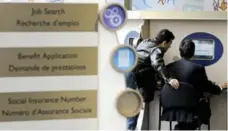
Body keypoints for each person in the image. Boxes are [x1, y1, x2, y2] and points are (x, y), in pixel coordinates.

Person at [163, 39, 227, 130]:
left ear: (180, 51)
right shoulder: (198, 68)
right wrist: (220, 87)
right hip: (191, 109)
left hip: (173, 108)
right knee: (202, 113)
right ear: (193, 52)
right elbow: (207, 86)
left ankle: (180, 127)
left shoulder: (169, 67)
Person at [125, 29, 179, 130]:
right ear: (164, 43)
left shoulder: (146, 42)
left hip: (126, 71)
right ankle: (130, 128)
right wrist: (169, 79)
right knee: (134, 105)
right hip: (133, 75)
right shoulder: (158, 49)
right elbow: (157, 63)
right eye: (169, 44)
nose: (169, 47)